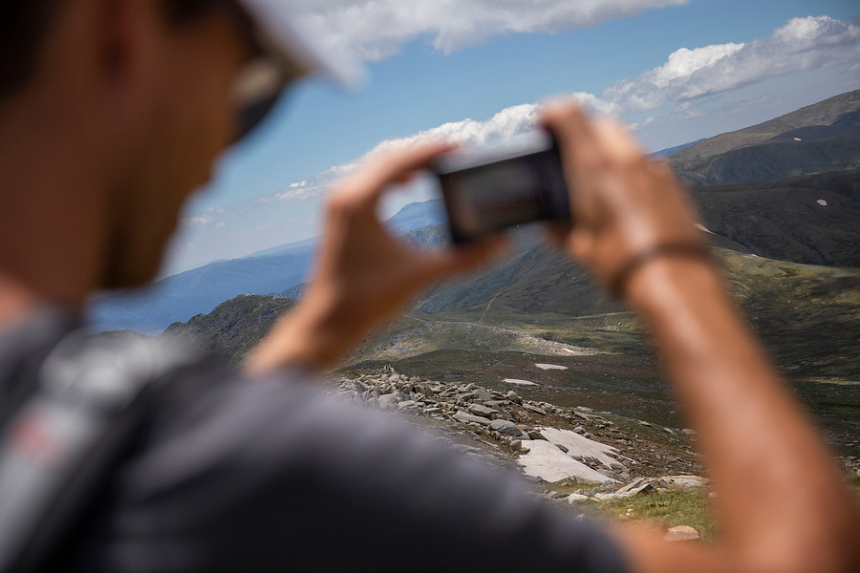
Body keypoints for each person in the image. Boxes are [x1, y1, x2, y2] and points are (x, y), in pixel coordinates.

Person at [0, 0, 857, 571]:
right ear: (118, 29)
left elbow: (142, 472)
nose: (228, 141)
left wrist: (324, 323)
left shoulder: (99, 447)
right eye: (245, 83)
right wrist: (668, 267)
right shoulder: (240, 466)